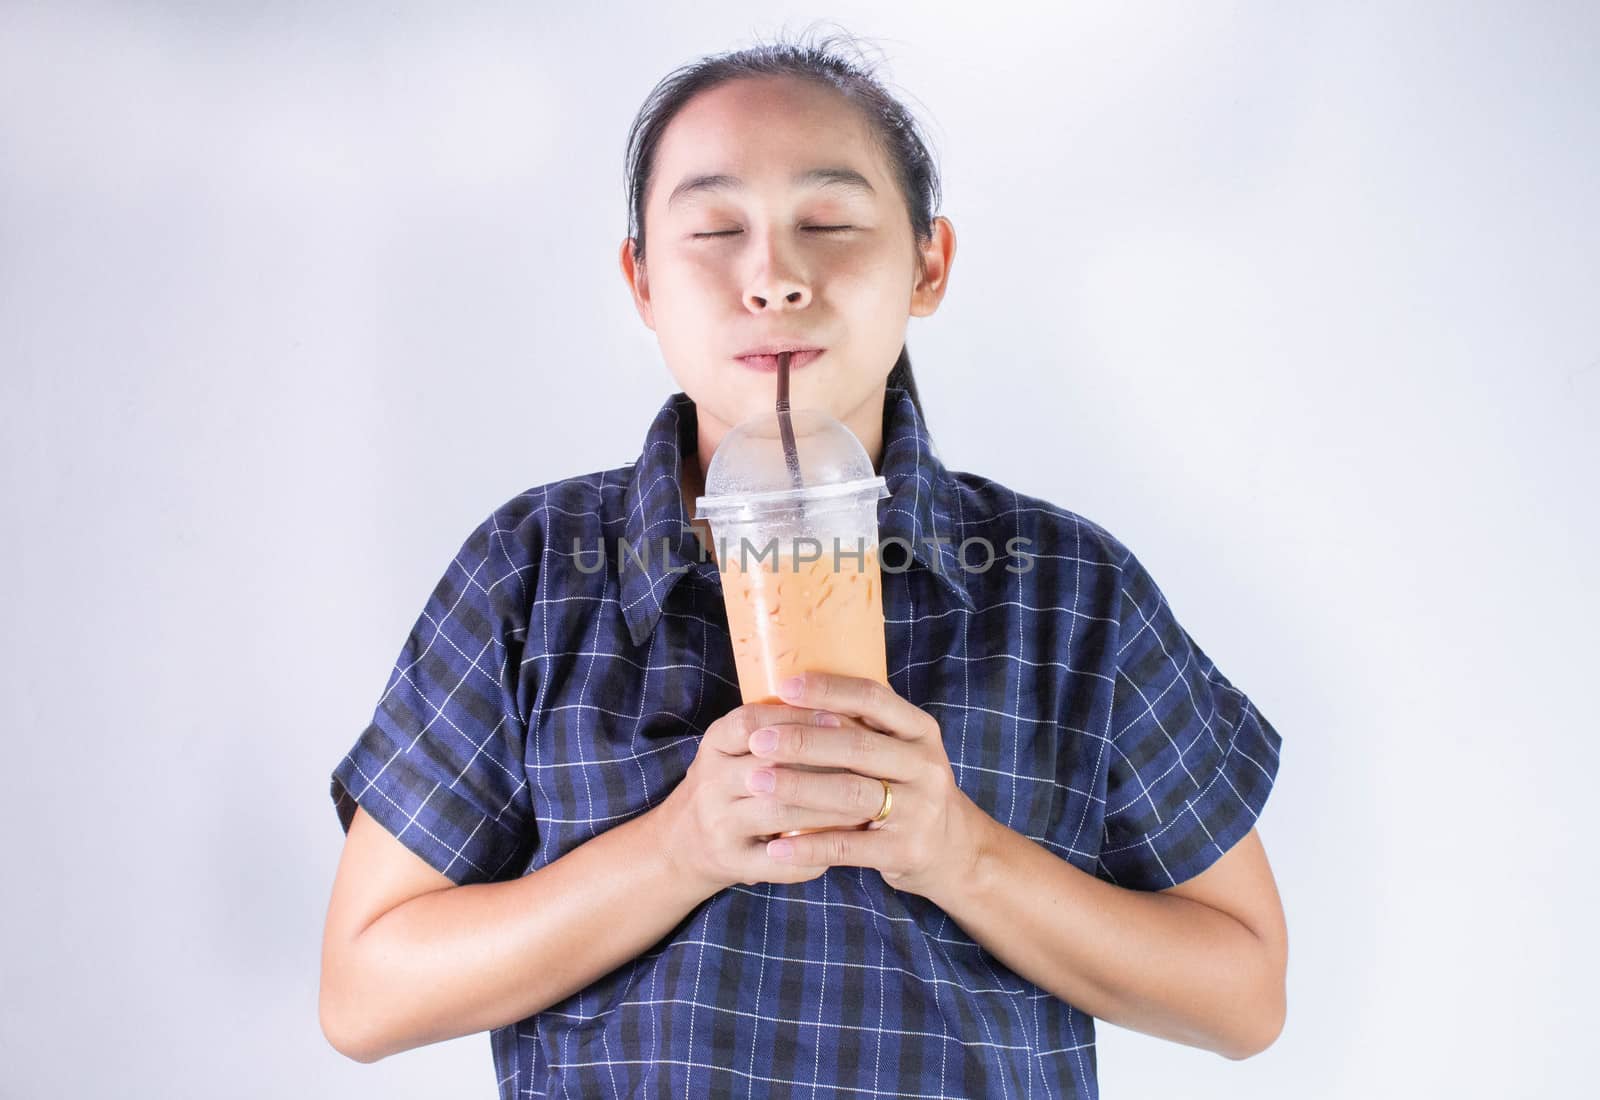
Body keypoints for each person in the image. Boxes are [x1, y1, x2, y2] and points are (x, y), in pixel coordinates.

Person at [318, 29, 1287, 1100]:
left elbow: (1243, 991)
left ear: (928, 263)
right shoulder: (534, 571)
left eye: (827, 221)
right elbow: (365, 990)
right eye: (714, 227)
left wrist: (959, 852)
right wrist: (678, 848)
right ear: (640, 278)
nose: (773, 276)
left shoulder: (1070, 592)